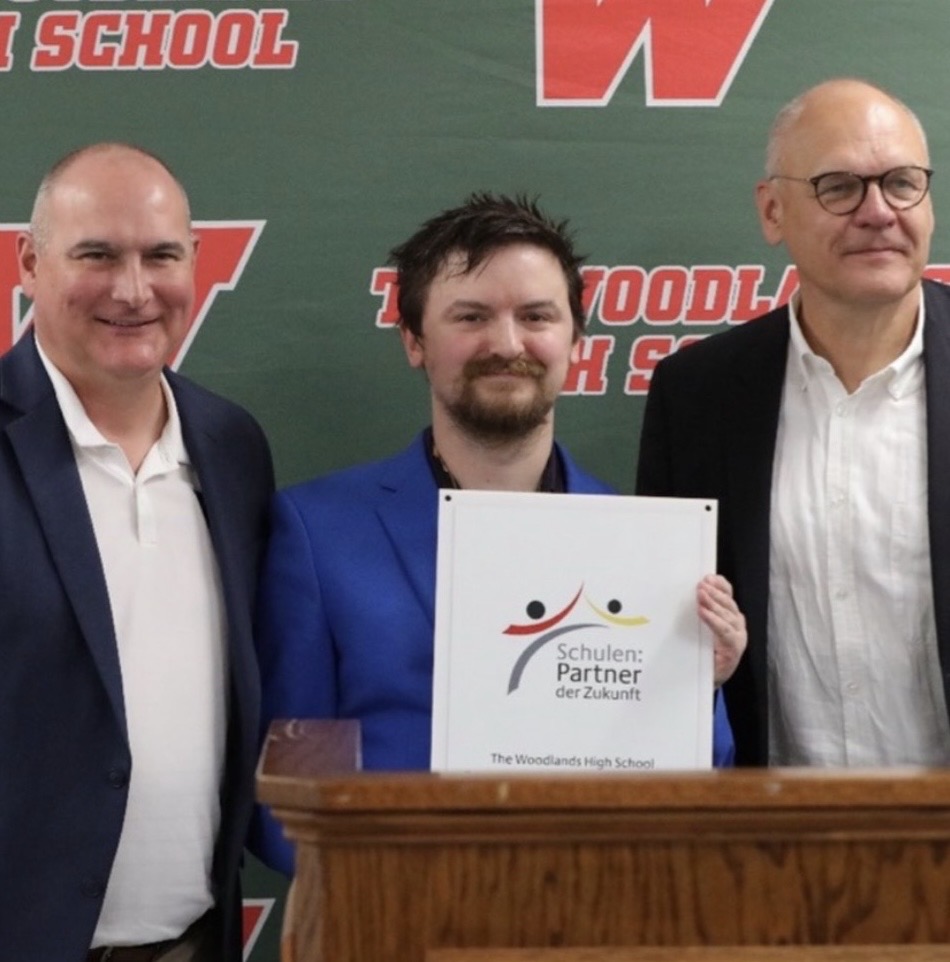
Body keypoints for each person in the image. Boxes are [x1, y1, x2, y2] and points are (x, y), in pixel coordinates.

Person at [251, 193, 746, 876]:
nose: (507, 344)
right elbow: (285, 808)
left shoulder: (646, 548)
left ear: (577, 340)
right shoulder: (317, 532)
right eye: (472, 317)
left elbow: (702, 784)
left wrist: (701, 680)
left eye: (536, 316)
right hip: (391, 927)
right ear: (414, 341)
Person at [0, 143, 274, 961]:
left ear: (195, 262)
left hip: (197, 942)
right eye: (96, 255)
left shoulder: (232, 447)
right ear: (29, 262)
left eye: (160, 256)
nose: (132, 289)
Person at [636, 77, 950, 768]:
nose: (878, 212)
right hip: (768, 851)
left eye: (902, 182)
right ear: (773, 211)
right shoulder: (697, 397)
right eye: (839, 186)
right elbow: (665, 642)